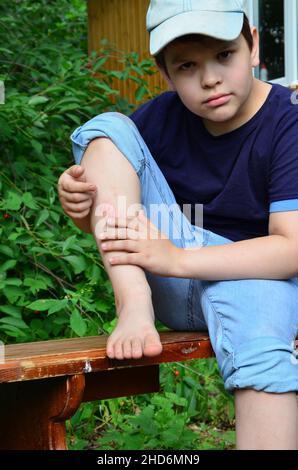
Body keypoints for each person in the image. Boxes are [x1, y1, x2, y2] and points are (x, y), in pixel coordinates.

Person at [58, 0, 298, 449]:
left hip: (259, 282)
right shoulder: (161, 117)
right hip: (164, 287)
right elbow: (117, 210)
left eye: (224, 55)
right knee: (106, 131)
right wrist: (80, 205)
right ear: (166, 75)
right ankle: (132, 306)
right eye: (187, 66)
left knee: (264, 347)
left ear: (253, 47)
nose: (209, 78)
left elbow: (292, 249)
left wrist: (176, 256)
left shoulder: (290, 119)